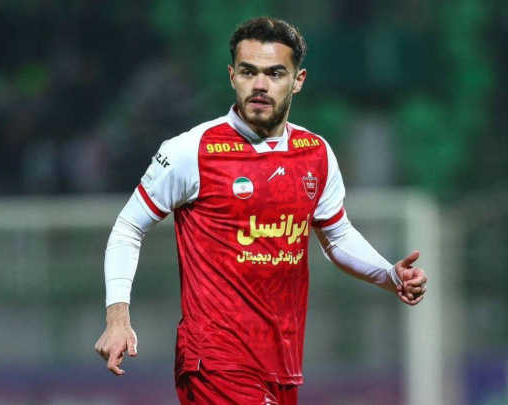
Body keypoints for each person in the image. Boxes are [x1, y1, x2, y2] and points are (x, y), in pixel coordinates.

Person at [95, 17, 427, 405]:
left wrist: (389, 275)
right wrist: (117, 318)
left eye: (274, 73)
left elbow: (337, 236)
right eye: (248, 72)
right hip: (214, 362)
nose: (259, 85)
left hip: (281, 365)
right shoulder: (191, 151)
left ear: (298, 80)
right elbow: (128, 228)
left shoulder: (315, 153)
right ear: (232, 76)